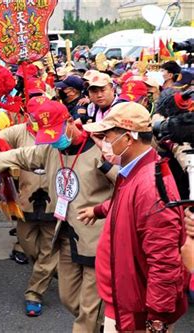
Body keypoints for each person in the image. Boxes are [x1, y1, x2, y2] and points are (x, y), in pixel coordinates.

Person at [0, 99, 117, 332]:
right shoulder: (51, 149)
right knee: (69, 299)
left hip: (96, 238)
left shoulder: (101, 148)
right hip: (66, 235)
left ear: (70, 122)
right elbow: (22, 155)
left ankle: (92, 325)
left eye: (56, 133)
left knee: (87, 312)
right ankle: (100, 325)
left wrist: (108, 165)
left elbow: (129, 184)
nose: (55, 140)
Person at [79, 102, 188, 332]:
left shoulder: (150, 185)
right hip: (125, 300)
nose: (104, 143)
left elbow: (164, 261)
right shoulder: (135, 172)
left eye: (107, 136)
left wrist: (157, 317)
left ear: (128, 139)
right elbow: (128, 206)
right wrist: (98, 210)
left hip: (137, 312)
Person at [0, 96, 58, 317]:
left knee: (49, 249)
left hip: (54, 202)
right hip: (25, 200)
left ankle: (34, 293)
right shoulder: (18, 131)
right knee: (28, 245)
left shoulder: (59, 134)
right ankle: (46, 269)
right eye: (34, 116)